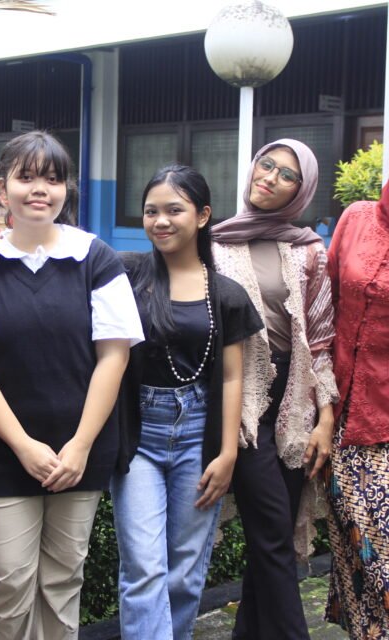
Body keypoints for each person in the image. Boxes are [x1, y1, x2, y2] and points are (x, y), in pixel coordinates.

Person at [0, 130, 144, 639]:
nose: (40, 189)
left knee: (63, 582)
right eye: (27, 177)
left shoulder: (96, 259)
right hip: (2, 453)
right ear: (2, 188)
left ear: (66, 190)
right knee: (7, 583)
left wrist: (80, 446)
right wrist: (22, 445)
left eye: (53, 179)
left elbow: (114, 356)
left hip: (80, 454)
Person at [111, 165, 263, 640]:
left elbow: (233, 376)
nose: (160, 221)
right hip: (139, 434)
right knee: (143, 567)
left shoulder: (226, 294)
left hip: (198, 435)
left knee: (184, 569)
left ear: (202, 215)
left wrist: (228, 452)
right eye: (151, 211)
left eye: (174, 210)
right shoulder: (125, 275)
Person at [211, 138, 339, 639]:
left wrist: (325, 417)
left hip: (295, 402)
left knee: (275, 533)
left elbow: (320, 339)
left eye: (287, 175)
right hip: (240, 400)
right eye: (266, 165)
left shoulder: (308, 250)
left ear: (300, 190)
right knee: (271, 535)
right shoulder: (214, 241)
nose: (270, 178)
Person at [324, 181, 389, 638]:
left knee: (380, 547)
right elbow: (324, 302)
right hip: (340, 413)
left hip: (383, 418)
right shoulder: (357, 217)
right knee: (355, 546)